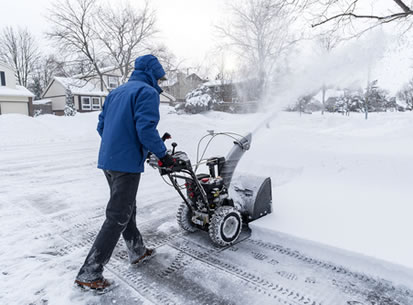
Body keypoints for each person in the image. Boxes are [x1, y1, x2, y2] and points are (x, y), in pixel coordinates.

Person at [74, 54, 175, 290]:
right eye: (159, 79)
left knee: (126, 208)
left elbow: (101, 125)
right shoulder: (146, 93)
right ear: (152, 74)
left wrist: (117, 146)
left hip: (108, 161)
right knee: (117, 215)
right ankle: (90, 273)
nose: (159, 84)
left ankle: (137, 250)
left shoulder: (116, 92)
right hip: (126, 165)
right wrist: (164, 155)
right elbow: (145, 129)